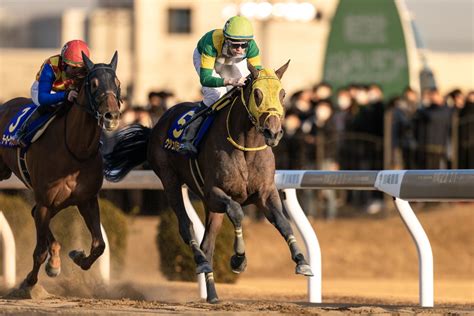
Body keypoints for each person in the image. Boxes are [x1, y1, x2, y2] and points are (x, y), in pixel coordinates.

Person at [178, 15, 263, 155]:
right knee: (215, 95)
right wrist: (229, 81)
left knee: (243, 90)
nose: (240, 49)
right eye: (235, 44)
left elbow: (257, 75)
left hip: (227, 60)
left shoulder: (252, 47)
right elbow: (205, 79)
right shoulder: (211, 43)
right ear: (226, 39)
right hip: (205, 57)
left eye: (244, 45)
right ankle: (188, 137)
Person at [11, 39, 90, 147]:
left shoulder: (84, 69)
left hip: (66, 90)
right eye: (73, 67)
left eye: (80, 68)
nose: (77, 72)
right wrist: (65, 95)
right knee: (51, 105)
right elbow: (43, 98)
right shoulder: (51, 64)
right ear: (64, 63)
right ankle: (21, 133)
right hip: (44, 90)